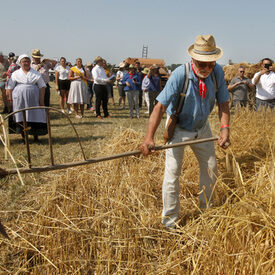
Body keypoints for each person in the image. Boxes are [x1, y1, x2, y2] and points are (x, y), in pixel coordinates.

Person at [140, 34, 230, 230]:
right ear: (193, 59)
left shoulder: (217, 73)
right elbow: (159, 108)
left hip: (202, 127)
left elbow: (223, 101)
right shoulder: (180, 74)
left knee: (211, 168)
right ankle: (170, 222)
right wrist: (149, 138)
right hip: (178, 128)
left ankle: (208, 212)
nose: (206, 68)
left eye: (210, 64)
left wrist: (224, 129)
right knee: (172, 174)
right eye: (202, 64)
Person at [6, 54, 47, 142]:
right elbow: (9, 87)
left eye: (28, 61)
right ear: (20, 63)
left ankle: (36, 136)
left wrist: (41, 100)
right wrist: (10, 100)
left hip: (33, 100)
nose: (26, 63)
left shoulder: (36, 73)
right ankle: (24, 137)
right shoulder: (15, 74)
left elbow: (42, 87)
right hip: (20, 100)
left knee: (35, 115)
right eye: (24, 61)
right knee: (21, 116)